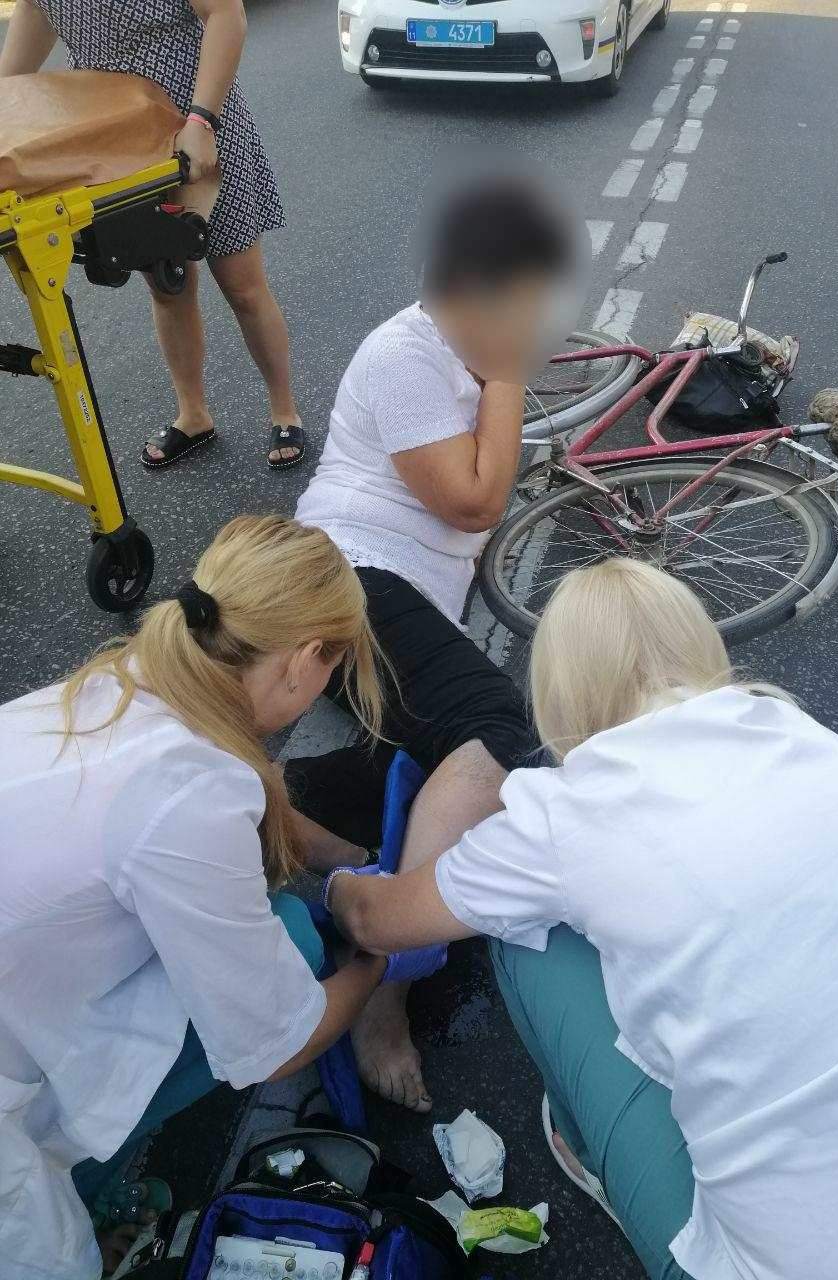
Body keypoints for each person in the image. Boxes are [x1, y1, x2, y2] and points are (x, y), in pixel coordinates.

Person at [325, 558, 838, 1280]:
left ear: (560, 689)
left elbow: (380, 923)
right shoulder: (794, 730)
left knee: (522, 933)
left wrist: (341, 877)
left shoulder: (563, 815)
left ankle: (586, 1148)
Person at [0, 515, 440, 1280]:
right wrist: (375, 961)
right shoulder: (186, 796)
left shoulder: (132, 678)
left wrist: (354, 861)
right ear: (305, 660)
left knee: (281, 930)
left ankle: (78, 1179)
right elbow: (276, 1050)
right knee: (296, 945)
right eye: (335, 666)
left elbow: (249, 799)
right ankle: (79, 1189)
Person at [286, 164, 587, 1113]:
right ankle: (388, 977)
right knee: (496, 729)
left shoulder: (472, 348)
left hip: (396, 589)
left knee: (427, 763)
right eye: (519, 309)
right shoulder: (405, 356)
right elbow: (474, 499)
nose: (533, 328)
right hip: (349, 575)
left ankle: (280, 816)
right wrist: (509, 377)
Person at [0, 0, 306, 469]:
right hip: (116, 138)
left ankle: (284, 410)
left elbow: (227, 15)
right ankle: (194, 415)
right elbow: (33, 20)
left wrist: (201, 120)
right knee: (168, 283)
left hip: (197, 120)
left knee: (243, 285)